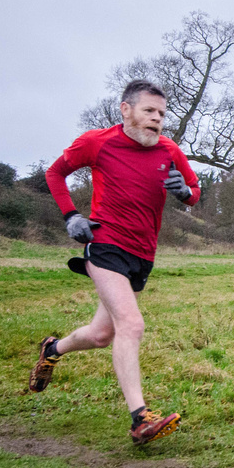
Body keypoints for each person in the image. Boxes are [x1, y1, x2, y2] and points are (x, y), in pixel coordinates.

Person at [30, 79, 200, 446]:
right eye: (149, 111)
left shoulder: (169, 150)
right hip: (105, 244)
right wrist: (70, 215)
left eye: (161, 114)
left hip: (143, 253)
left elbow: (194, 191)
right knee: (131, 324)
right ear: (126, 110)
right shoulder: (98, 142)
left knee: (101, 334)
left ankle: (52, 349)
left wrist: (185, 193)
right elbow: (55, 172)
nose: (157, 120)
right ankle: (140, 418)